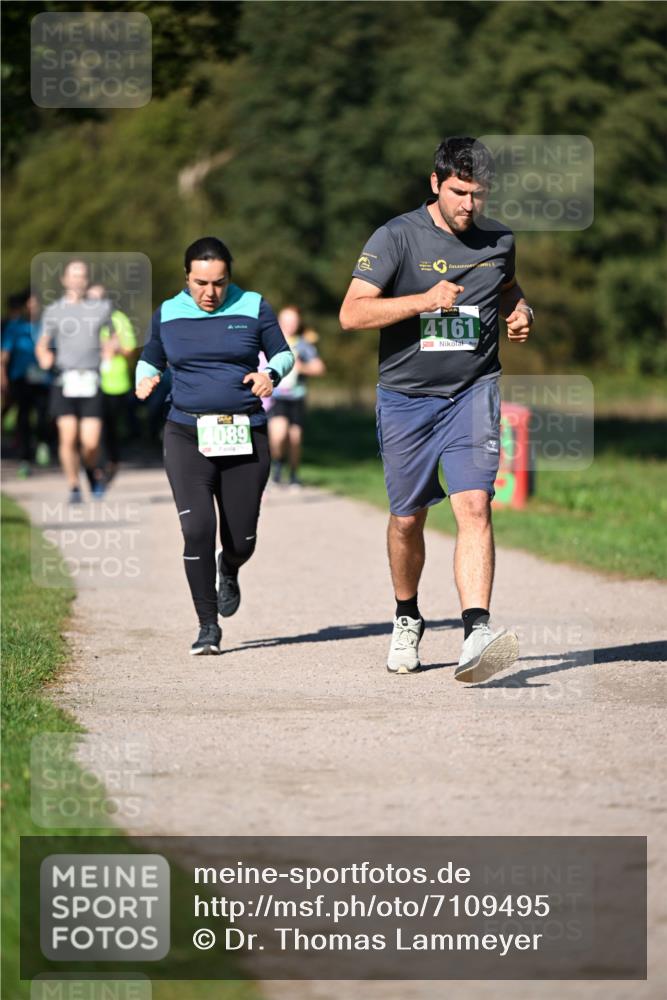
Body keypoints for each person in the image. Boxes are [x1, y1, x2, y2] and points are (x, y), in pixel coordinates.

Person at [339, 136, 534, 681]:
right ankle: (407, 617)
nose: (469, 205)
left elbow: (509, 289)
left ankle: (476, 631)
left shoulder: (500, 239)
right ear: (435, 184)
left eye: (478, 194)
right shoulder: (396, 236)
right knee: (408, 519)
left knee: (475, 503)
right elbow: (352, 314)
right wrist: (424, 301)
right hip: (406, 400)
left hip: (473, 392)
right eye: (458, 192)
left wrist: (522, 312)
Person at [135, 236, 295, 655]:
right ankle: (207, 627)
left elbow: (283, 354)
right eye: (200, 283)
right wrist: (145, 375)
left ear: (230, 277)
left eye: (219, 283)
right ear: (186, 277)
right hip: (186, 433)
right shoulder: (168, 312)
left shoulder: (254, 306)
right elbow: (152, 354)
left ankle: (230, 565)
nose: (210, 293)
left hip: (245, 433)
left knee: (241, 540)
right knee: (197, 529)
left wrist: (270, 377)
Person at [35, 260, 113, 502]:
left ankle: (90, 470)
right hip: (64, 380)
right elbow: (42, 343)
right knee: (67, 438)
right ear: (64, 280)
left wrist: (110, 349)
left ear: (86, 280)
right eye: (73, 276)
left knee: (90, 443)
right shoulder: (54, 311)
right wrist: (44, 356)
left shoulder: (101, 308)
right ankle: (73, 486)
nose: (77, 280)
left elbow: (113, 336)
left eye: (82, 276)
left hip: (91, 380)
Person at [268, 305, 326, 487]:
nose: (290, 325)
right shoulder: (270, 341)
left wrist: (303, 367)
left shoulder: (303, 344)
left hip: (297, 397)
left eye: (293, 321)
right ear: (279, 321)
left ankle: (293, 474)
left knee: (295, 439)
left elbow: (319, 368)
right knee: (278, 434)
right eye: (286, 321)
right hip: (276, 397)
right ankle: (277, 464)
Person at [88, 283, 138, 483]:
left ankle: (112, 462)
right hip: (89, 382)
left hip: (115, 383)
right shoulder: (80, 321)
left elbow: (130, 349)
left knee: (110, 427)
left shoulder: (119, 320)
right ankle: (95, 466)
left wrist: (115, 348)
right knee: (92, 426)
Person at [1, 290, 53, 475]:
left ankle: (43, 443)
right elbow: (4, 355)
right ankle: (24, 457)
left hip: (43, 379)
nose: (32, 307)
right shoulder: (14, 328)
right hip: (20, 378)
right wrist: (3, 377)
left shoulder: (46, 327)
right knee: (23, 417)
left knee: (43, 416)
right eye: (29, 303)